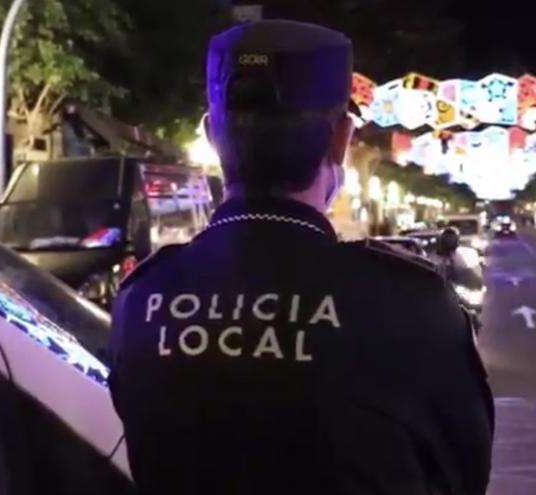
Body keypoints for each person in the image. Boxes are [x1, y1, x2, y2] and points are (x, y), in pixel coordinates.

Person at [108, 20, 494, 495]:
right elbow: (462, 477)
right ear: (341, 139)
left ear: (211, 134)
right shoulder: (413, 305)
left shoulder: (142, 298)